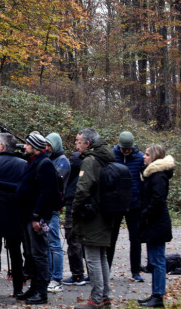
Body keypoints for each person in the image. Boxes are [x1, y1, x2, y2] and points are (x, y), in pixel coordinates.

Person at [10, 131, 61, 305]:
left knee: (39, 254)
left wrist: (37, 217)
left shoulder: (44, 164)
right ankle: (33, 288)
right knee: (30, 254)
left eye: (27, 145)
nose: (24, 147)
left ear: (36, 148)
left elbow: (45, 193)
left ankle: (41, 291)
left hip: (35, 216)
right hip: (26, 215)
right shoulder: (31, 163)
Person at [72, 128, 116, 309]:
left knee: (92, 257)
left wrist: (74, 209)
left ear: (87, 144)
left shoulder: (90, 161)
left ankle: (96, 299)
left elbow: (83, 189)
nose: (76, 144)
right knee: (101, 256)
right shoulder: (107, 158)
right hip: (105, 213)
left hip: (92, 216)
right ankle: (104, 297)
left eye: (78, 141)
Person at [0, 132, 26, 299]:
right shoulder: (23, 164)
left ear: (2, 146)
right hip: (15, 214)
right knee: (16, 253)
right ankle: (18, 288)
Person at [135, 144, 175, 308]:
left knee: (158, 260)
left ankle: (158, 296)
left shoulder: (158, 176)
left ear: (155, 157)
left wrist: (145, 214)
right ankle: (155, 294)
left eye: (146, 154)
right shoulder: (152, 174)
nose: (143, 157)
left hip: (157, 223)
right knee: (154, 259)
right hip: (154, 223)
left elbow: (158, 199)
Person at [108, 131, 146, 282]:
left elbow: (145, 179)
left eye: (129, 149)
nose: (126, 151)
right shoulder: (112, 156)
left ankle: (136, 271)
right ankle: (106, 269)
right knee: (111, 239)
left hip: (134, 203)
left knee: (135, 239)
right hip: (115, 204)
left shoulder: (140, 157)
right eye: (124, 148)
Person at [45, 132, 70, 294]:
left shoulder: (63, 162)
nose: (46, 148)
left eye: (49, 145)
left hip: (53, 209)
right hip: (46, 208)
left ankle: (56, 278)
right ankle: (48, 276)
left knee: (54, 245)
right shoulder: (52, 160)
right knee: (47, 244)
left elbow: (52, 180)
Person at [62, 146, 88, 286]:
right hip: (86, 203)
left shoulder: (75, 160)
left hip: (73, 200)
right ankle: (86, 274)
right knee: (85, 239)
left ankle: (77, 275)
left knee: (73, 238)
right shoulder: (93, 163)